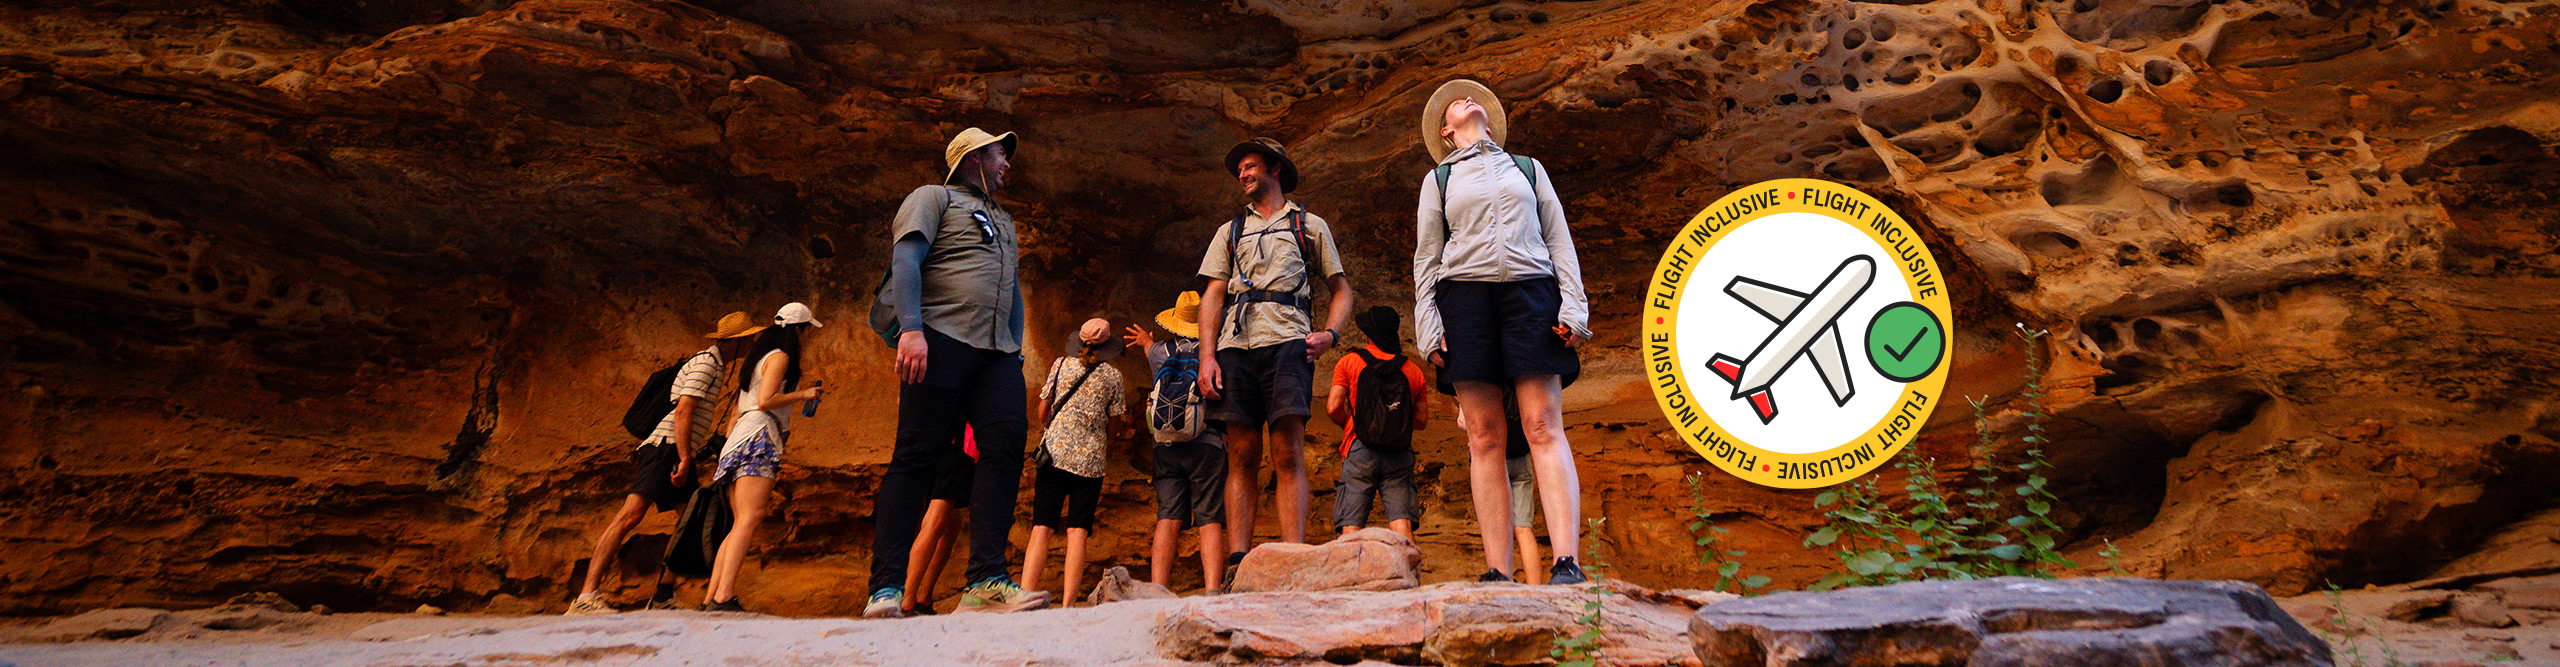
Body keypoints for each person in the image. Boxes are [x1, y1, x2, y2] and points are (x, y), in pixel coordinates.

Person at [1414, 79, 1593, 585]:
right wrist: (1428, 324)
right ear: (1447, 132)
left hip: (1530, 292)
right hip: (1465, 298)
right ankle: (1497, 569)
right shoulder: (1440, 180)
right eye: (1455, 104)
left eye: (1474, 100)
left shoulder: (1528, 169)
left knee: (1542, 424)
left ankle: (1566, 561)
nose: (1467, 100)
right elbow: (1427, 258)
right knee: (1486, 436)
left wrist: (1573, 305)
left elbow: (1559, 239)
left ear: (1488, 121)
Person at [865, 128, 1047, 617]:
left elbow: (1012, 291)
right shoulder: (933, 197)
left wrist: (1016, 351)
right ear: (972, 158)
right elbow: (906, 260)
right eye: (999, 153)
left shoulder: (1003, 219)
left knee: (1006, 444)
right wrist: (911, 329)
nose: (1007, 162)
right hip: (939, 339)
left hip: (996, 354)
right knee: (915, 456)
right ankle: (885, 588)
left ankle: (986, 580)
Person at [1195, 137, 1355, 564]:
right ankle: (1237, 562)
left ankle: (1294, 557)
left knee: (1287, 452)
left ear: (1275, 168)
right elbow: (1213, 295)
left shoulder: (1308, 225)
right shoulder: (1230, 230)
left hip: (1288, 343)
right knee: (1241, 454)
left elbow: (1341, 290)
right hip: (1237, 346)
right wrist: (1206, 356)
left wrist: (1331, 335)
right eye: (1240, 170)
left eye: (1249, 166)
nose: (1243, 175)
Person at [569, 311, 760, 614]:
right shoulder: (707, 363)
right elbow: (684, 411)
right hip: (666, 449)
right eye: (747, 337)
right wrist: (684, 457)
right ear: (734, 342)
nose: (752, 342)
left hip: (676, 450)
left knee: (689, 522)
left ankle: (662, 595)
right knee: (629, 516)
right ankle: (586, 596)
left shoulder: (714, 364)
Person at [702, 302, 828, 611]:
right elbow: (765, 401)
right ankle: (724, 597)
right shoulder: (781, 357)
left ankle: (712, 597)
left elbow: (741, 407)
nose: (808, 337)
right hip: (759, 437)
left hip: (739, 439)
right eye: (807, 330)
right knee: (750, 518)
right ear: (799, 330)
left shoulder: (758, 358)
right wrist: (805, 395)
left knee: (738, 522)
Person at [1123, 291, 1228, 593]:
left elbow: (1148, 349)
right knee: (1209, 518)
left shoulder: (1159, 352)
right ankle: (1211, 590)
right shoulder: (1216, 352)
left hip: (1166, 445)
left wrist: (1145, 340)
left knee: (1168, 517)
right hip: (1206, 442)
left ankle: (1158, 589)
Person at [1024, 318, 1127, 605]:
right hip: (1090, 463)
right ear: (1108, 347)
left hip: (1054, 456)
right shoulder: (1113, 377)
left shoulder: (1060, 365)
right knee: (1078, 531)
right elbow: (1115, 425)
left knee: (1041, 527)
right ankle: (1068, 604)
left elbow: (1043, 412)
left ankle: (1027, 596)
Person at [1327, 306, 1428, 544]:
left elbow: (1332, 407)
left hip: (1359, 449)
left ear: (1369, 334)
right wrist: (1394, 422)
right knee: (1401, 524)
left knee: (1351, 524)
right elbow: (1421, 421)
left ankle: (1348, 579)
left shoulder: (1349, 363)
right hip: (1399, 453)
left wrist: (1352, 425)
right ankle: (1412, 579)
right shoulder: (1413, 371)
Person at [899, 426, 979, 616]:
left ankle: (924, 598)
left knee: (950, 526)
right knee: (934, 523)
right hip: (958, 448)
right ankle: (907, 601)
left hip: (930, 447)